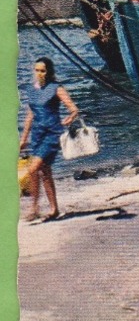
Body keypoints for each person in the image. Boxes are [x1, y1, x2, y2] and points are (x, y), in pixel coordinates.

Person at [18, 58, 79, 222]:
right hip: (37, 135)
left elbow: (73, 109)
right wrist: (23, 139)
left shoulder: (56, 88)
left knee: (33, 169)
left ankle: (34, 208)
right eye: (36, 70)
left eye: (42, 71)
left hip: (52, 134)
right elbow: (30, 116)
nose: (39, 74)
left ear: (49, 72)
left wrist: (70, 117)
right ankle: (54, 210)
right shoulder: (32, 90)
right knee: (45, 172)